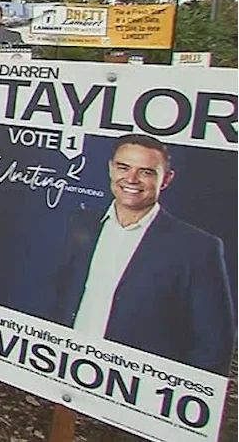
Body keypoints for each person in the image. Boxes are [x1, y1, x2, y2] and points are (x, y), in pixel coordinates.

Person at [46, 134, 235, 375]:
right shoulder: (80, 224)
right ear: (111, 168)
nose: (131, 179)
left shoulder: (198, 248)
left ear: (166, 179)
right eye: (123, 167)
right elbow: (57, 296)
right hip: (67, 369)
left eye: (146, 172)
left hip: (135, 390)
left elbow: (214, 345)